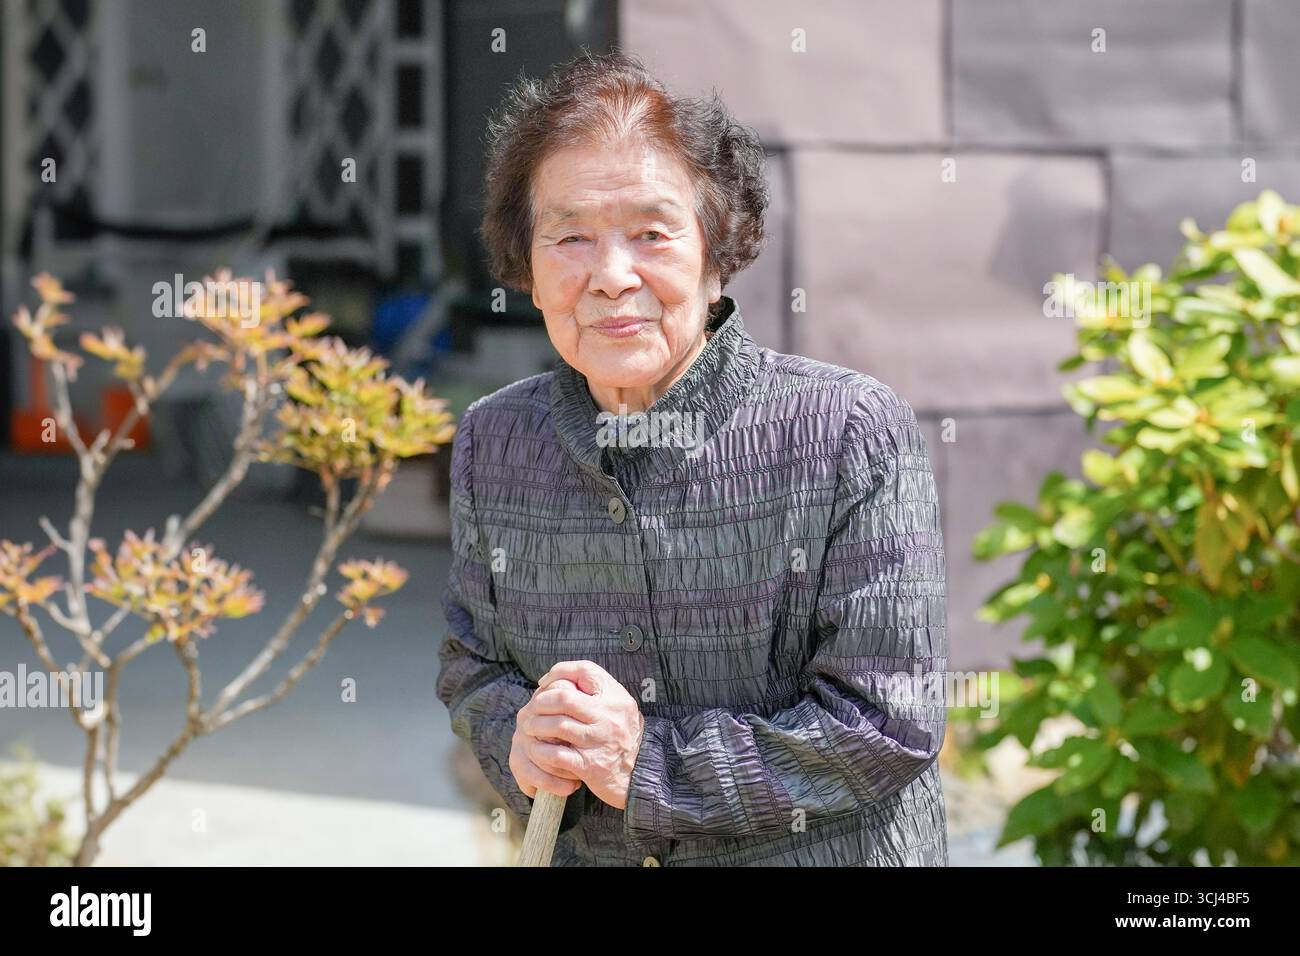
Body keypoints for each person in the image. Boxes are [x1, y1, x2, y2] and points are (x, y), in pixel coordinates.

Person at [435, 48, 949, 866]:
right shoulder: (496, 441)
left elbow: (888, 724)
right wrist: (518, 737)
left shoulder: (849, 430)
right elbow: (475, 664)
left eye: (651, 232)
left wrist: (646, 765)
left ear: (717, 255)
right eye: (569, 236)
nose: (610, 275)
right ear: (524, 267)